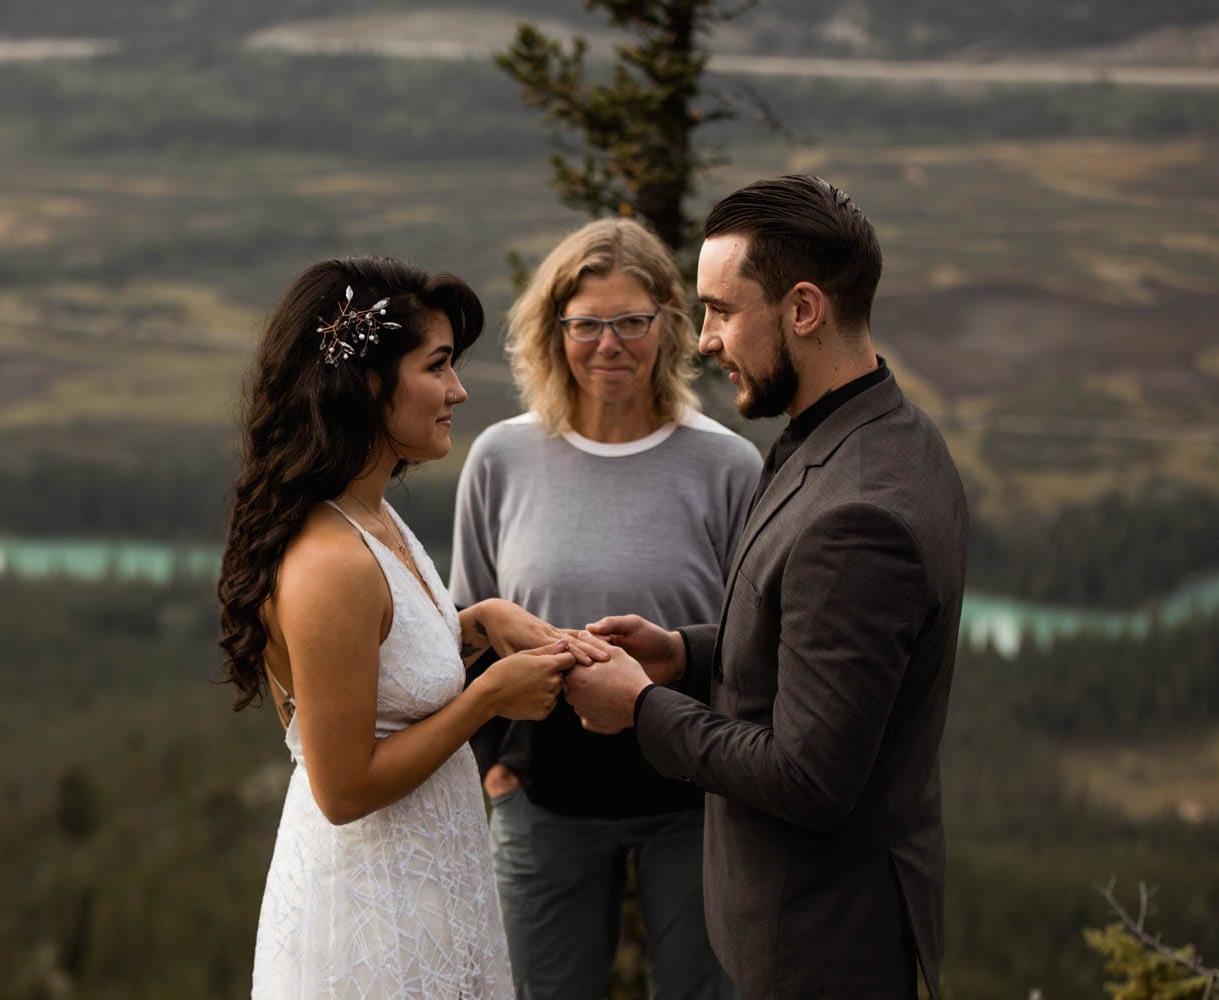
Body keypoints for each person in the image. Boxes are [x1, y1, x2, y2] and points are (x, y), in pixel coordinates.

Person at [564, 176, 968, 1000]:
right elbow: (810, 637)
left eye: (721, 309)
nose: (705, 340)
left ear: (804, 309)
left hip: (819, 945)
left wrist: (641, 706)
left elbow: (808, 778)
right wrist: (683, 654)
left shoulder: (860, 514)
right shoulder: (879, 430)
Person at [217, 256, 603, 999]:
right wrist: (488, 699)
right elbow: (345, 787)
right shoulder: (330, 560)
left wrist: (480, 623)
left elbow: (382, 669)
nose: (458, 391)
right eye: (438, 366)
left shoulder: (371, 514)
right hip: (372, 912)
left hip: (424, 886)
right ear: (367, 384)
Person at [450, 218, 760, 999]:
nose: (608, 344)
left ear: (669, 325)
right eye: (586, 324)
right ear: (555, 331)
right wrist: (494, 775)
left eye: (631, 322)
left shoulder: (726, 465)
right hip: (543, 798)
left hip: (693, 797)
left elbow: (760, 642)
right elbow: (467, 630)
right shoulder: (501, 458)